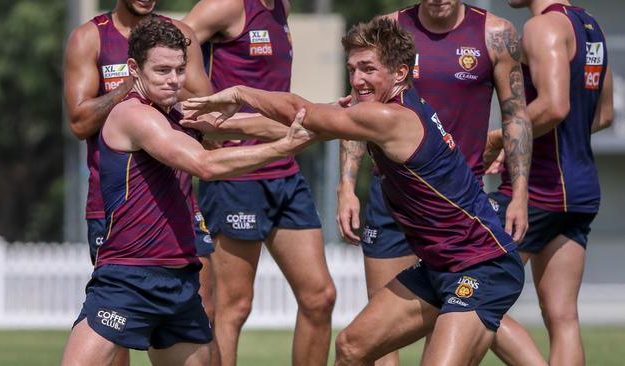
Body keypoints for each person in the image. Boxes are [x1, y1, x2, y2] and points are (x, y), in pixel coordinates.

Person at [185, 17, 526, 366]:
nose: (358, 79)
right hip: (439, 266)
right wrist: (208, 127)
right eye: (352, 69)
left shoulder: (391, 118)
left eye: (368, 68)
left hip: (483, 266)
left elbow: (299, 111)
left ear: (400, 73)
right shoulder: (374, 111)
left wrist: (240, 92)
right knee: (351, 347)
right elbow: (298, 125)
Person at [60, 17, 315, 366]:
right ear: (134, 69)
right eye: (162, 70)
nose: (174, 81)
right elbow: (205, 165)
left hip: (179, 282)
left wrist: (329, 122)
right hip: (129, 279)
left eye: (179, 70)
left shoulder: (179, 111)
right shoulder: (134, 115)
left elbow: (246, 124)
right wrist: (284, 147)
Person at [336, 1, 541, 364]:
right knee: (374, 338)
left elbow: (516, 116)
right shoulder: (386, 30)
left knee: (466, 312)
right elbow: (356, 113)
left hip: (459, 205)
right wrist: (347, 186)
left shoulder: (496, 33)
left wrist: (520, 191)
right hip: (393, 198)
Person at [181, 1, 336, 365]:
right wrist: (207, 108)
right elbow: (180, 36)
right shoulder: (230, 5)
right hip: (238, 176)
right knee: (233, 307)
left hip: (285, 171)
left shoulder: (281, 7)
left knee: (320, 296)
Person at [63, 2, 214, 364]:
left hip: (178, 198)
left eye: (176, 69)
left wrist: (163, 85)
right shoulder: (89, 37)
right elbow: (80, 123)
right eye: (163, 69)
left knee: (204, 308)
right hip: (115, 204)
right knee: (117, 328)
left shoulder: (178, 37)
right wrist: (131, 89)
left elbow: (208, 111)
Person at [484, 1, 613, 365]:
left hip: (540, 189)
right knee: (563, 317)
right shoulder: (591, 28)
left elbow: (555, 107)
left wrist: (498, 139)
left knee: (468, 290)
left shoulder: (542, 28)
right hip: (581, 191)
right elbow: (603, 114)